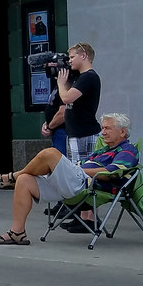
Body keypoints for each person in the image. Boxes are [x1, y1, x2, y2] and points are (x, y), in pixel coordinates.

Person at [0, 113, 137, 245]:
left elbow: (112, 172)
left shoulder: (127, 150)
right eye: (102, 128)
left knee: (51, 153)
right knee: (25, 180)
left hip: (88, 185)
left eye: (107, 128)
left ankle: (13, 176)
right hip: (73, 183)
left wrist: (79, 170)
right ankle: (17, 233)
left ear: (122, 132)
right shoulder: (103, 150)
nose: (102, 132)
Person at [54, 42, 102, 231]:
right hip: (75, 133)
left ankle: (91, 218)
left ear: (84, 56)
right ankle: (82, 216)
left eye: (72, 57)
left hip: (86, 132)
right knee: (77, 176)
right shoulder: (80, 77)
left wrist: (60, 84)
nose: (69, 60)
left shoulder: (89, 77)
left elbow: (66, 98)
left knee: (87, 176)